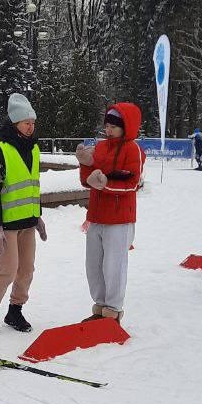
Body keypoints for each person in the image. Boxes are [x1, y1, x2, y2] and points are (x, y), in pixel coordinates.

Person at [0, 92, 47, 336]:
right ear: (15, 122)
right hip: (6, 223)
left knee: (27, 270)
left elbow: (32, 184)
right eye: (26, 122)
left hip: (27, 221)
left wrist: (37, 215)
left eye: (33, 122)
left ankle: (15, 310)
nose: (31, 126)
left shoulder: (34, 148)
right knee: (7, 269)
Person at [76, 102, 144, 322]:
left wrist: (106, 183)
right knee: (94, 265)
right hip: (96, 216)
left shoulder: (133, 149)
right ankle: (100, 307)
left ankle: (113, 311)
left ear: (126, 126)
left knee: (114, 266)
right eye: (107, 126)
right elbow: (88, 181)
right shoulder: (101, 147)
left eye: (113, 126)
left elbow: (132, 183)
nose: (108, 130)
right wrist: (85, 164)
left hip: (119, 219)